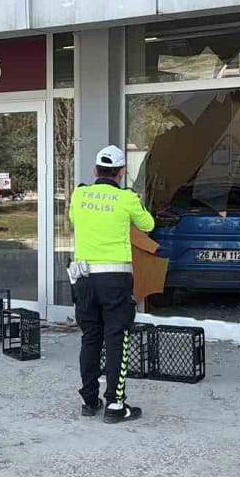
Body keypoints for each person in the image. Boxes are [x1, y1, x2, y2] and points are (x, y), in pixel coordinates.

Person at [68, 145, 155, 424]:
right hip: (115, 281)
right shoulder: (127, 198)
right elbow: (148, 225)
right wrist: (137, 202)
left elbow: (73, 219)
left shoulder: (79, 194)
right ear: (122, 172)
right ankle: (115, 405)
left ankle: (89, 400)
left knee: (90, 337)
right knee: (117, 338)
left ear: (95, 171)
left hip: (83, 279)